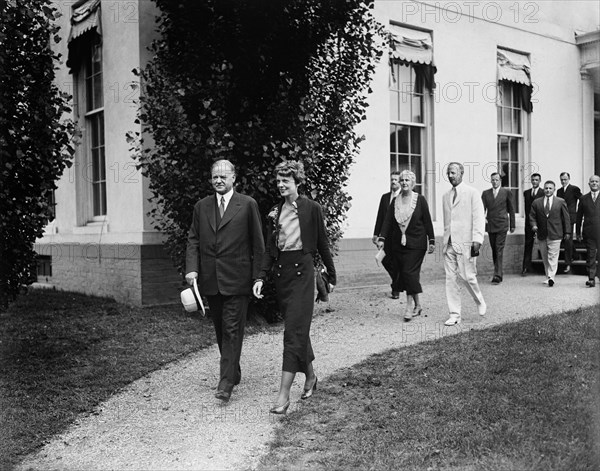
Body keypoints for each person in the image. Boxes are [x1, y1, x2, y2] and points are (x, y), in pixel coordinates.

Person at [252, 161, 336, 415]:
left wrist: (331, 274)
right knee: (298, 330)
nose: (280, 185)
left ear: (297, 182)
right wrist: (260, 277)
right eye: (278, 181)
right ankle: (310, 376)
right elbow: (269, 249)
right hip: (282, 275)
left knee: (292, 333)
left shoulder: (312, 208)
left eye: (285, 181)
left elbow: (322, 242)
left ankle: (283, 395)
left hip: (303, 273)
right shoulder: (274, 213)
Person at [185, 159, 265, 402]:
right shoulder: (202, 206)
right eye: (214, 177)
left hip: (238, 279)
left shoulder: (247, 204)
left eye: (223, 176)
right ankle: (234, 371)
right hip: (211, 280)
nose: (218, 180)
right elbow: (193, 239)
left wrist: (258, 276)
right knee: (221, 329)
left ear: (234, 179)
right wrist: (191, 269)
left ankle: (225, 382)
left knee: (232, 329)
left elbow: (258, 244)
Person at [377, 170, 435, 321]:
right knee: (407, 274)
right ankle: (418, 305)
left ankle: (409, 307)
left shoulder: (420, 200)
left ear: (413, 183)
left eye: (407, 180)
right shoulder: (394, 201)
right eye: (402, 180)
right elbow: (388, 221)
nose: (403, 182)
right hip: (399, 244)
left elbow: (427, 221)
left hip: (417, 244)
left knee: (409, 272)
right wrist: (382, 237)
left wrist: (432, 241)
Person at [442, 162, 487, 326]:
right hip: (449, 244)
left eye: (453, 172)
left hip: (466, 242)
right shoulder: (445, 196)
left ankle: (480, 300)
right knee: (450, 279)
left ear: (461, 173)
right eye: (448, 173)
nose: (450, 175)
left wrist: (477, 239)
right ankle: (454, 314)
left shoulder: (472, 193)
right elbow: (448, 221)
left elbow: (479, 218)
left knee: (468, 277)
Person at [529, 180, 571, 287]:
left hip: (556, 233)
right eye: (546, 188)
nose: (548, 190)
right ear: (544, 189)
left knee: (553, 256)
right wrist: (534, 225)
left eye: (550, 188)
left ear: (554, 189)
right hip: (542, 233)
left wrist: (567, 231)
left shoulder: (560, 201)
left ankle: (551, 277)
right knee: (545, 256)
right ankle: (548, 276)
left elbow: (566, 218)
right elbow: (532, 216)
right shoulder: (537, 202)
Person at [481, 172, 515, 284]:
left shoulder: (506, 192)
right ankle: (498, 271)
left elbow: (511, 209)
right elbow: (482, 211)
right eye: (493, 180)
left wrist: (512, 225)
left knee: (499, 249)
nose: (494, 182)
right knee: (494, 250)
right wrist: (481, 223)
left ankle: (497, 275)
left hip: (502, 225)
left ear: (500, 180)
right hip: (491, 225)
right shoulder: (486, 193)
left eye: (496, 180)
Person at [372, 171, 401, 298]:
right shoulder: (385, 197)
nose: (393, 182)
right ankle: (398, 282)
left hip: (399, 236)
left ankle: (396, 288)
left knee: (397, 261)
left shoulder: (404, 197)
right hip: (386, 236)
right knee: (384, 260)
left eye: (396, 179)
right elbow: (380, 217)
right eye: (392, 179)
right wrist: (376, 234)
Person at [576, 175, 600, 287]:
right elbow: (579, 216)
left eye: (596, 181)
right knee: (590, 255)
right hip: (589, 232)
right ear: (588, 184)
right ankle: (591, 279)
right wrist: (578, 232)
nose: (594, 183)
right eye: (592, 181)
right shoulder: (583, 199)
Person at [557, 172, 582, 273]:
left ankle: (568, 264)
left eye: (565, 179)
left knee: (568, 239)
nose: (563, 181)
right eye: (562, 179)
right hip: (561, 218)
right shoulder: (559, 191)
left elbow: (583, 199)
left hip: (571, 218)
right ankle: (575, 255)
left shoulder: (574, 189)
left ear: (569, 179)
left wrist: (578, 212)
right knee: (567, 239)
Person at [522, 173, 544, 275]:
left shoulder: (544, 192)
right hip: (528, 223)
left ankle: (545, 268)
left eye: (536, 180)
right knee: (528, 245)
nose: (534, 182)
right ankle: (525, 267)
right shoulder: (526, 193)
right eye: (533, 180)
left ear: (540, 181)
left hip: (541, 223)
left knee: (544, 245)